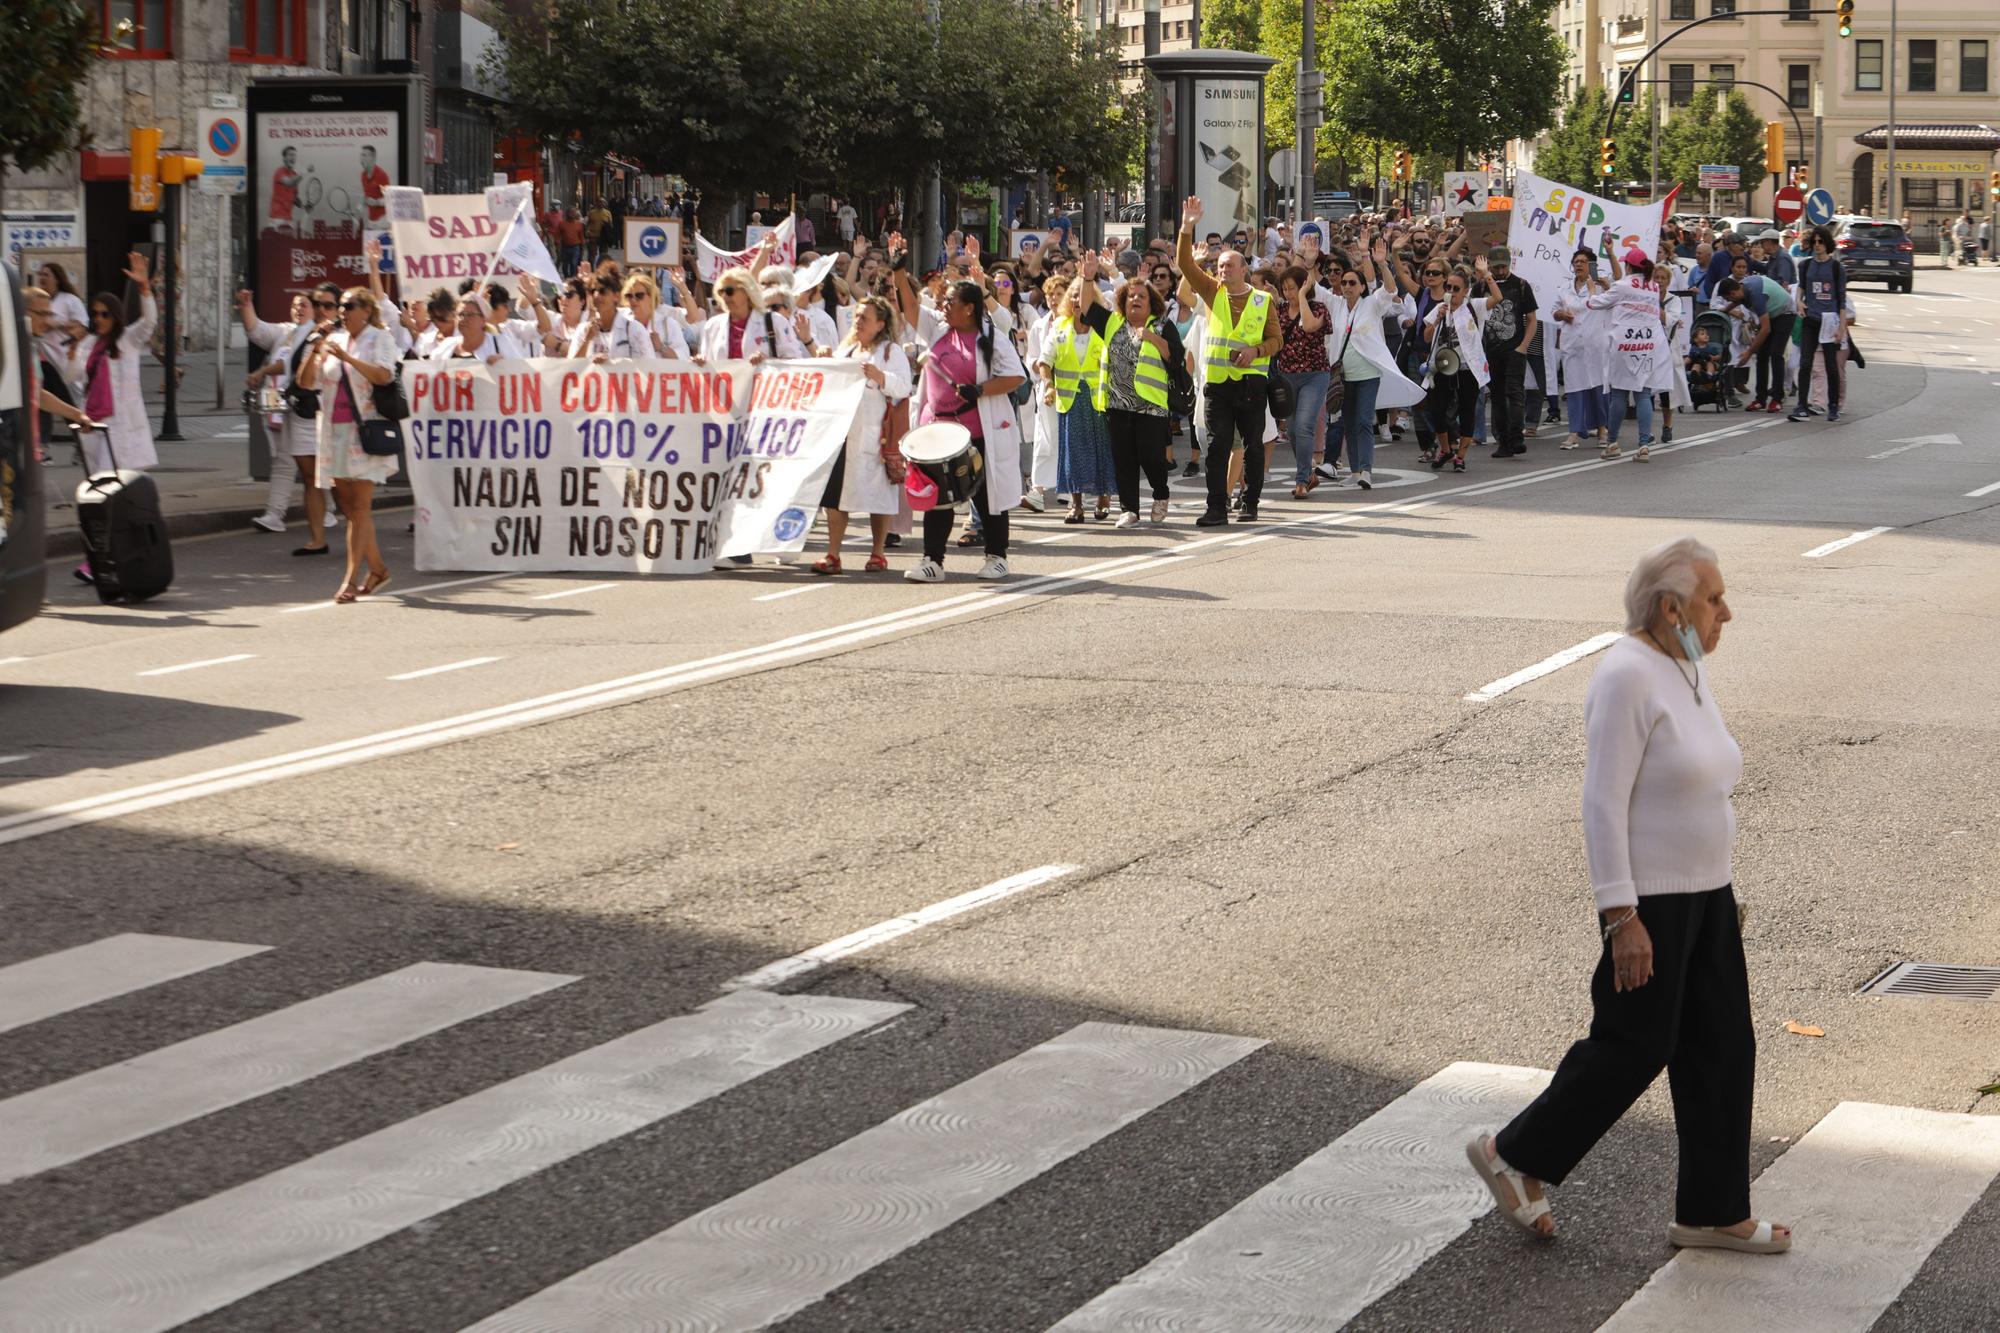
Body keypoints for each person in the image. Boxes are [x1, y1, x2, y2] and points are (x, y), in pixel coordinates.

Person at [1470, 537, 1791, 1259]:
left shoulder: (1683, 667)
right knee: (1634, 1043)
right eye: (1714, 599)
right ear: (1671, 607)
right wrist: (1622, 914)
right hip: (1650, 901)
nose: (1726, 613)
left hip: (1705, 895)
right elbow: (1601, 802)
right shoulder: (1627, 676)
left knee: (1722, 1048)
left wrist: (1717, 898)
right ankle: (1514, 1153)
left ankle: (1712, 1210)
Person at [906, 280, 1025, 582]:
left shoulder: (993, 339)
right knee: (939, 498)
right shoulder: (938, 328)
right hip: (937, 432)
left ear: (969, 308)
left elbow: (1015, 376)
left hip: (978, 432)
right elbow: (908, 307)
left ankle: (997, 556)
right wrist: (897, 270)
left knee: (988, 495)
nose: (943, 306)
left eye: (950, 302)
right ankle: (932, 561)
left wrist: (979, 390)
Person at [1176, 195, 1282, 524]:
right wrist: (1187, 228)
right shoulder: (1212, 292)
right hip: (1218, 385)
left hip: (1251, 385)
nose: (1222, 271)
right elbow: (1185, 265)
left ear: (1244, 269)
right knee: (1217, 447)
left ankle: (1250, 503)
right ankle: (1216, 507)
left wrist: (1255, 352)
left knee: (1251, 446)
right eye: (1219, 266)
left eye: (1229, 266)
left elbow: (1277, 340)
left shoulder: (1263, 300)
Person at [296, 287, 398, 603]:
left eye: (348, 305)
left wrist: (349, 359)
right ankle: (378, 568)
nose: (342, 311)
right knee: (350, 509)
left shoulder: (379, 338)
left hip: (364, 430)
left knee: (361, 507)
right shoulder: (333, 340)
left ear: (366, 310)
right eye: (340, 306)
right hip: (333, 432)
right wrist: (315, 348)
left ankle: (350, 581)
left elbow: (384, 376)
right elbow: (305, 382)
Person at [1073, 259, 1182, 527]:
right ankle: (1129, 509)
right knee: (1124, 460)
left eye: (1141, 296)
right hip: (1117, 405)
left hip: (1151, 407)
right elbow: (1087, 307)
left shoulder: (1162, 325)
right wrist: (1088, 279)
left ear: (1151, 302)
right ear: (1123, 300)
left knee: (1152, 458)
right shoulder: (1112, 323)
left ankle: (1160, 495)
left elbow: (1175, 358)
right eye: (1131, 295)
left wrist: (1153, 338)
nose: (1135, 299)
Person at [811, 295, 912, 574]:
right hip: (841, 436)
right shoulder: (846, 351)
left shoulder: (891, 353)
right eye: (856, 316)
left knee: (878, 495)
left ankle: (878, 553)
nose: (858, 322)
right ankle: (833, 554)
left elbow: (904, 387)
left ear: (880, 324)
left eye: (864, 317)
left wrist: (882, 378)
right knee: (835, 499)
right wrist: (819, 354)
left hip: (874, 436)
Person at [240, 283, 342, 554]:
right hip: (293, 406)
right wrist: (246, 306)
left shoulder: (337, 333)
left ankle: (334, 513)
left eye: (324, 305)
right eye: (312, 304)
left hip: (327, 409)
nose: (315, 310)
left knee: (324, 468)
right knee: (298, 466)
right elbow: (259, 333)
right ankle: (290, 520)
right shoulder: (292, 333)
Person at [1323, 231, 1425, 490]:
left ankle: (1366, 470)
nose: (1346, 287)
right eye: (1344, 283)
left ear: (1362, 287)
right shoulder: (1335, 304)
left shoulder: (1372, 303)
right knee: (1347, 424)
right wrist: (1306, 257)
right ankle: (1355, 471)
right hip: (1343, 377)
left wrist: (1381, 263)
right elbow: (1312, 286)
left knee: (1363, 422)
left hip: (1368, 375)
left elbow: (1390, 288)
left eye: (1352, 283)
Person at [64, 252, 158, 483]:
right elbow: (71, 377)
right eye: (95, 314)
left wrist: (144, 288)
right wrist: (74, 350)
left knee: (115, 479)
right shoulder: (88, 343)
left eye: (105, 314)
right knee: (101, 479)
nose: (99, 319)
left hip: (122, 421)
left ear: (115, 316)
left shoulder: (128, 339)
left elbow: (149, 323)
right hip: (95, 421)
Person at [1040, 266, 1115, 523]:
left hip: (1098, 400)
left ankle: (1104, 496)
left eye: (1079, 296)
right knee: (1073, 454)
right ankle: (1076, 504)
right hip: (1070, 400)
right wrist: (1048, 384)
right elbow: (1044, 362)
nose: (1075, 301)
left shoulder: (1103, 327)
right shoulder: (1059, 327)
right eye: (1071, 296)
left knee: (1101, 450)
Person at [1590, 251, 1671, 462]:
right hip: (1648, 342)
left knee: (1619, 394)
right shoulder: (1653, 286)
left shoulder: (1623, 285)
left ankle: (1613, 443)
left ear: (1629, 266)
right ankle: (1644, 444)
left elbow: (1595, 303)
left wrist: (1591, 291)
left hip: (1625, 342)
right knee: (1643, 394)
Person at [1420, 261, 1492, 473]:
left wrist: (1487, 275)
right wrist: (1438, 319)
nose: (1451, 292)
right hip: (1443, 365)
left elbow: (1497, 298)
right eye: (1448, 287)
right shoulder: (1439, 309)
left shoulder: (1473, 306)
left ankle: (1461, 455)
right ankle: (1445, 449)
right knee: (1437, 410)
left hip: (1467, 367)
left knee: (1466, 410)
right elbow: (1426, 337)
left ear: (1466, 291)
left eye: (1456, 288)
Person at [1272, 264, 1329, 499]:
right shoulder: (1279, 310)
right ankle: (1308, 475)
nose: (1288, 293)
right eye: (1284, 289)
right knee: (1294, 431)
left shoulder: (1319, 308)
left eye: (1292, 288)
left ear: (1304, 285)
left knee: (1305, 425)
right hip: (1287, 376)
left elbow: (1308, 326)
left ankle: (1302, 480)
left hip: (1315, 375)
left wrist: (1303, 297)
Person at [1713, 268, 1793, 414]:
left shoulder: (1757, 295)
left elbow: (1766, 329)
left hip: (1785, 314)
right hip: (1771, 314)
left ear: (1733, 293)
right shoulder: (1741, 288)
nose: (1731, 302)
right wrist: (1724, 310)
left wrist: (1748, 353)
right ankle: (1760, 399)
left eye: (1730, 298)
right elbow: (1737, 301)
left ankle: (1777, 399)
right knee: (1762, 356)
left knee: (1776, 354)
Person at [1790, 226, 1847, 423]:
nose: (1817, 245)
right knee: (1805, 363)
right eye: (1814, 242)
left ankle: (1832, 407)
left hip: (1830, 321)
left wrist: (1841, 328)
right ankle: (1802, 406)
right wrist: (1799, 301)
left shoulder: (1836, 268)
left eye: (1820, 241)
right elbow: (1801, 288)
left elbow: (1841, 299)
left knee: (1831, 366)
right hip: (1810, 319)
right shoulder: (1805, 266)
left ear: (1827, 244)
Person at [696, 268, 806, 362]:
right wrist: (700, 362)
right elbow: (708, 365)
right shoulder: (712, 325)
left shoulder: (775, 321)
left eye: (729, 291)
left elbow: (794, 361)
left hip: (763, 386)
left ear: (747, 291)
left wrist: (767, 362)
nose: (725, 297)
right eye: (721, 292)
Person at [34, 263, 88, 368]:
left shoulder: (70, 300)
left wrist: (57, 323)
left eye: (46, 275)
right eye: (40, 275)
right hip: (41, 359)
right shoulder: (37, 300)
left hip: (62, 360)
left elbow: (82, 327)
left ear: (57, 279)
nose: (42, 278)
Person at [359, 145, 389, 226]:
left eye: (364, 155)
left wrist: (376, 202)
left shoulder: (381, 176)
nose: (361, 159)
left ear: (373, 158)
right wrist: (361, 205)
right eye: (361, 155)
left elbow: (389, 199)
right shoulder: (363, 176)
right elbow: (367, 197)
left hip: (383, 220)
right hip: (370, 220)